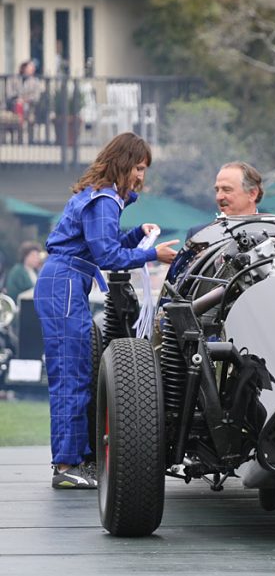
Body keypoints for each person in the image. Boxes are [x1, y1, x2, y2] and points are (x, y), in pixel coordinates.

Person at [34, 132, 179, 489]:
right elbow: (108, 257)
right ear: (124, 163)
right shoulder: (105, 200)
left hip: (64, 283)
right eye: (139, 167)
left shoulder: (101, 197)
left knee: (76, 372)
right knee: (72, 374)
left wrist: (135, 236)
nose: (142, 176)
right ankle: (67, 466)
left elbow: (104, 244)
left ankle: (73, 460)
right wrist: (152, 254)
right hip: (66, 285)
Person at [186, 161, 263, 239]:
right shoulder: (199, 236)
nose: (219, 197)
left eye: (227, 189)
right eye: (217, 190)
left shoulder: (273, 230)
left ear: (252, 194)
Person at [6, 60, 42, 126]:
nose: (33, 69)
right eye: (30, 67)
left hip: (29, 105)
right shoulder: (13, 79)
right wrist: (18, 98)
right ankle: (19, 124)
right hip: (14, 104)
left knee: (23, 106)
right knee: (18, 104)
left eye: (33, 68)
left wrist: (25, 100)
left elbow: (36, 96)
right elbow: (9, 93)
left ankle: (20, 124)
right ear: (24, 68)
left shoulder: (35, 81)